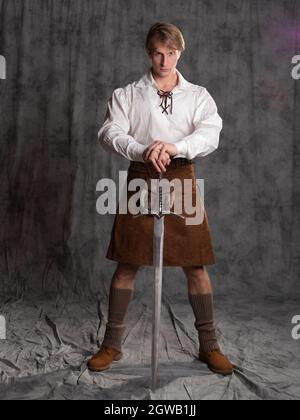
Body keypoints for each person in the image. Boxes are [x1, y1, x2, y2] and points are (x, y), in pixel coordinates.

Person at [88, 22, 233, 376]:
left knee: (195, 266)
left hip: (182, 176)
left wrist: (175, 147)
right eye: (157, 52)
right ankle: (111, 345)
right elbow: (109, 132)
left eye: (170, 53)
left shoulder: (198, 96)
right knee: (127, 263)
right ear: (148, 52)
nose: (164, 60)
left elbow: (210, 133)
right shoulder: (128, 94)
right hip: (141, 177)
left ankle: (209, 346)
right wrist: (143, 149)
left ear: (179, 53)